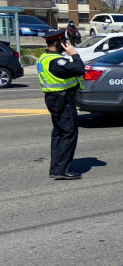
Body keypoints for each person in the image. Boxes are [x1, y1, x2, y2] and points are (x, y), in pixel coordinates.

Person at [37, 29, 85, 180]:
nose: (66, 44)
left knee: (58, 133)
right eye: (63, 42)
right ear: (57, 43)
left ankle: (56, 168)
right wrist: (74, 54)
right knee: (68, 133)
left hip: (54, 98)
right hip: (62, 100)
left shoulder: (43, 58)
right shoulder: (56, 61)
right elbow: (79, 69)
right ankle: (62, 170)